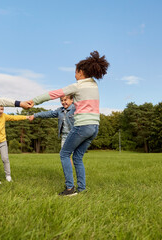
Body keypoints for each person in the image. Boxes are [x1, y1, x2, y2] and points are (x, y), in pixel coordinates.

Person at [29, 51, 109, 196]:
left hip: (82, 126)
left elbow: (55, 94)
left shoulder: (78, 86)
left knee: (64, 154)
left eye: (75, 72)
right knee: (77, 157)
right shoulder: (94, 85)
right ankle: (82, 188)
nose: (74, 75)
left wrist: (34, 101)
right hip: (95, 127)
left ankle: (70, 188)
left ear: (81, 72)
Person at [0, 104, 29, 184]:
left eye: (1, 109)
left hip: (3, 141)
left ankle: (8, 176)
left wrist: (26, 117)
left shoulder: (4, 116)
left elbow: (14, 117)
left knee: (5, 159)